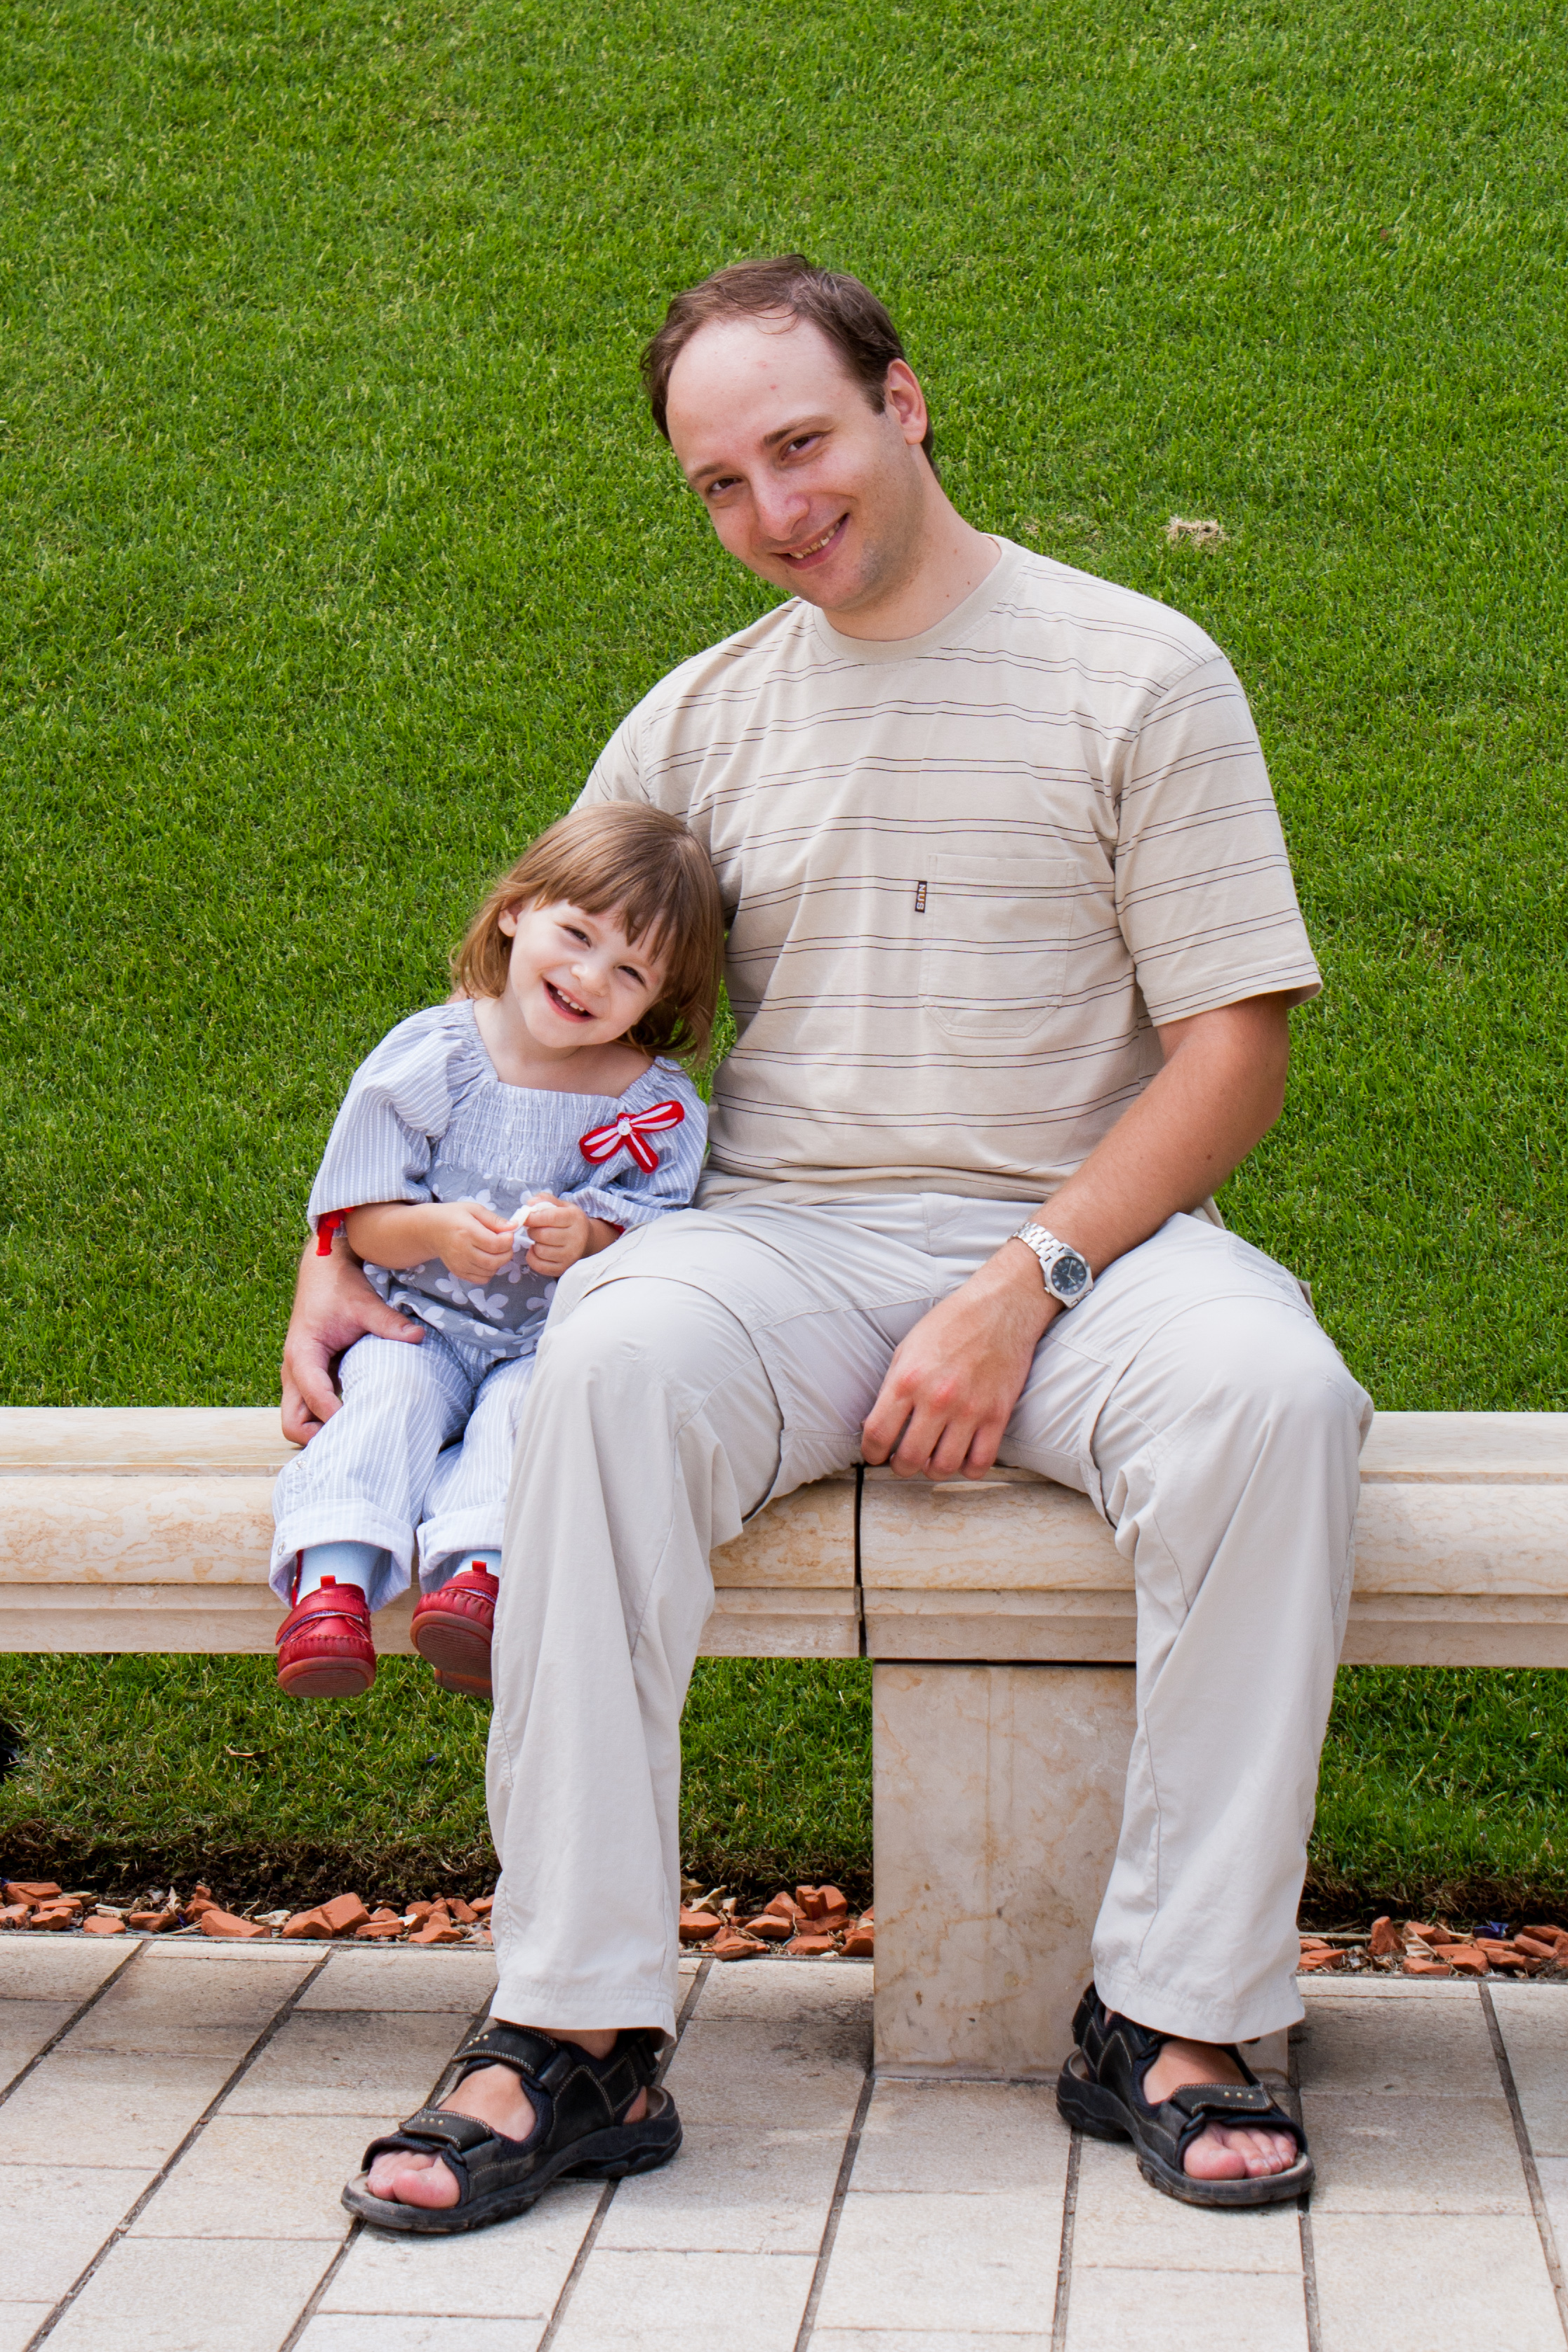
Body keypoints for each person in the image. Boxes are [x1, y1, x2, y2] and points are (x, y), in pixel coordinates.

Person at [281, 256, 1371, 2231]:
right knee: (607, 1358)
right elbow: (515, 1022)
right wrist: (330, 1250)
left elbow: (1234, 1051)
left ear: (903, 401)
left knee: (1275, 1397)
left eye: (801, 443)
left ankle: (1181, 2011)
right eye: (722, 481)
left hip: (1096, 1249)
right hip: (772, 1242)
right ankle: (577, 2027)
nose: (775, 509)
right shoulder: (698, 721)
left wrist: (1022, 1281)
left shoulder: (1139, 670)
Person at [270, 802, 721, 1701]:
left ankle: (478, 1584)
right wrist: (434, 1231)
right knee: (386, 1403)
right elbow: (360, 1218)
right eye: (576, 935)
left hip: (544, 1346)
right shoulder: (433, 1054)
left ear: (660, 998)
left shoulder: (654, 1106)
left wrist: (588, 1237)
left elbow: (660, 1234)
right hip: (418, 1325)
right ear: (515, 910)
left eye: (629, 971)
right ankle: (331, 1588)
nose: (588, 978)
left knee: (527, 1425)